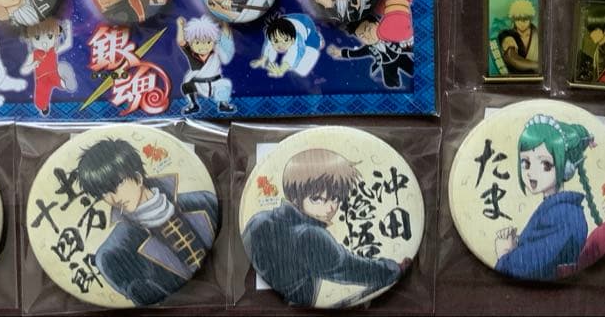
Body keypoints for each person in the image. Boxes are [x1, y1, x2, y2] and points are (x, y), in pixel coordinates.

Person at [242, 148, 406, 307]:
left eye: (335, 198)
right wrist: (394, 269)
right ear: (295, 196)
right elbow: (352, 268)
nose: (330, 208)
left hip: (255, 301)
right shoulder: (311, 235)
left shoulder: (258, 220)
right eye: (317, 199)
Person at [75, 138, 219, 305]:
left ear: (137, 177)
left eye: (118, 184)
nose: (113, 198)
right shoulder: (112, 255)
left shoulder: (205, 201)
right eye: (103, 193)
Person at [493, 115, 605, 280]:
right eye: (525, 163)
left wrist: (505, 254)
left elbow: (532, 265)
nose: (531, 173)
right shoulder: (557, 210)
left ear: (567, 169)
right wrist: (517, 244)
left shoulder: (565, 215)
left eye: (545, 164)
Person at [327, 17, 413, 89]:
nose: (367, 36)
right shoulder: (368, 48)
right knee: (391, 84)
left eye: (368, 29)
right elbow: (356, 53)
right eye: (362, 36)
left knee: (413, 68)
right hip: (386, 65)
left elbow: (402, 36)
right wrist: (341, 53)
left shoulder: (388, 34)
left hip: (400, 57)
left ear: (377, 24)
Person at [176, 16, 235, 114]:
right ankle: (193, 104)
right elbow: (181, 41)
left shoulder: (216, 51)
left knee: (224, 84)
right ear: (191, 43)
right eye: (197, 42)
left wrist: (225, 24)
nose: (203, 46)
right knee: (186, 86)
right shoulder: (191, 53)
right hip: (198, 82)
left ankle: (223, 104)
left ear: (213, 41)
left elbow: (226, 39)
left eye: (208, 42)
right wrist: (180, 26)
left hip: (215, 81)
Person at [19, 17, 76, 115]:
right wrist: (32, 65)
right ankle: (63, 84)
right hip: (42, 79)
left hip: (54, 73)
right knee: (40, 99)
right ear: (30, 38)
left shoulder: (53, 50)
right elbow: (23, 70)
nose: (44, 43)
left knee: (60, 82)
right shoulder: (33, 54)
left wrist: (68, 28)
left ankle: (66, 80)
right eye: (37, 38)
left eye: (50, 36)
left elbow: (67, 44)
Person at [251, 14, 323, 78]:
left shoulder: (297, 39)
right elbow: (268, 46)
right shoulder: (272, 34)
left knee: (315, 45)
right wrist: (263, 59)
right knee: (277, 36)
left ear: (292, 40)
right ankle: (283, 36)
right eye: (276, 41)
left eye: (285, 41)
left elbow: (296, 54)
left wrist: (282, 69)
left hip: (306, 23)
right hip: (288, 20)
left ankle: (319, 39)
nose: (281, 45)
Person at [575, 8, 605, 85]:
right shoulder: (599, 49)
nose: (591, 35)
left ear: (604, 31)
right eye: (590, 31)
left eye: (594, 31)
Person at [495, 0, 539, 75]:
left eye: (525, 19)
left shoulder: (538, 34)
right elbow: (512, 58)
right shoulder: (508, 35)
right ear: (513, 19)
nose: (522, 23)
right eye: (518, 19)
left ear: (530, 19)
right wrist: (537, 65)